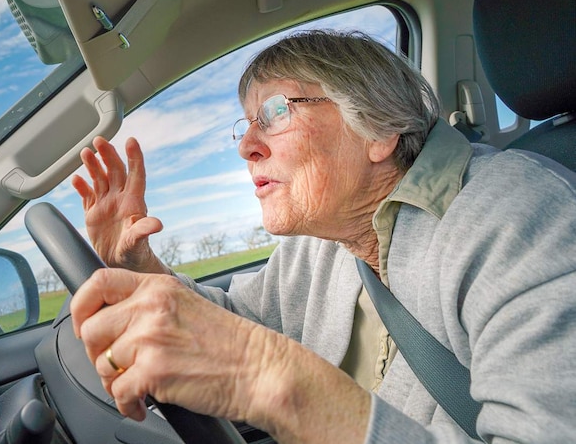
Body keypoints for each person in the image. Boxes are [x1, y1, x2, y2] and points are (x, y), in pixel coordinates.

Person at [68, 29, 576, 443]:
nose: (246, 146)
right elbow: (237, 325)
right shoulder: (320, 243)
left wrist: (271, 378)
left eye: (275, 113)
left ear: (377, 129)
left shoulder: (520, 218)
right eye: (246, 125)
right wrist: (138, 263)